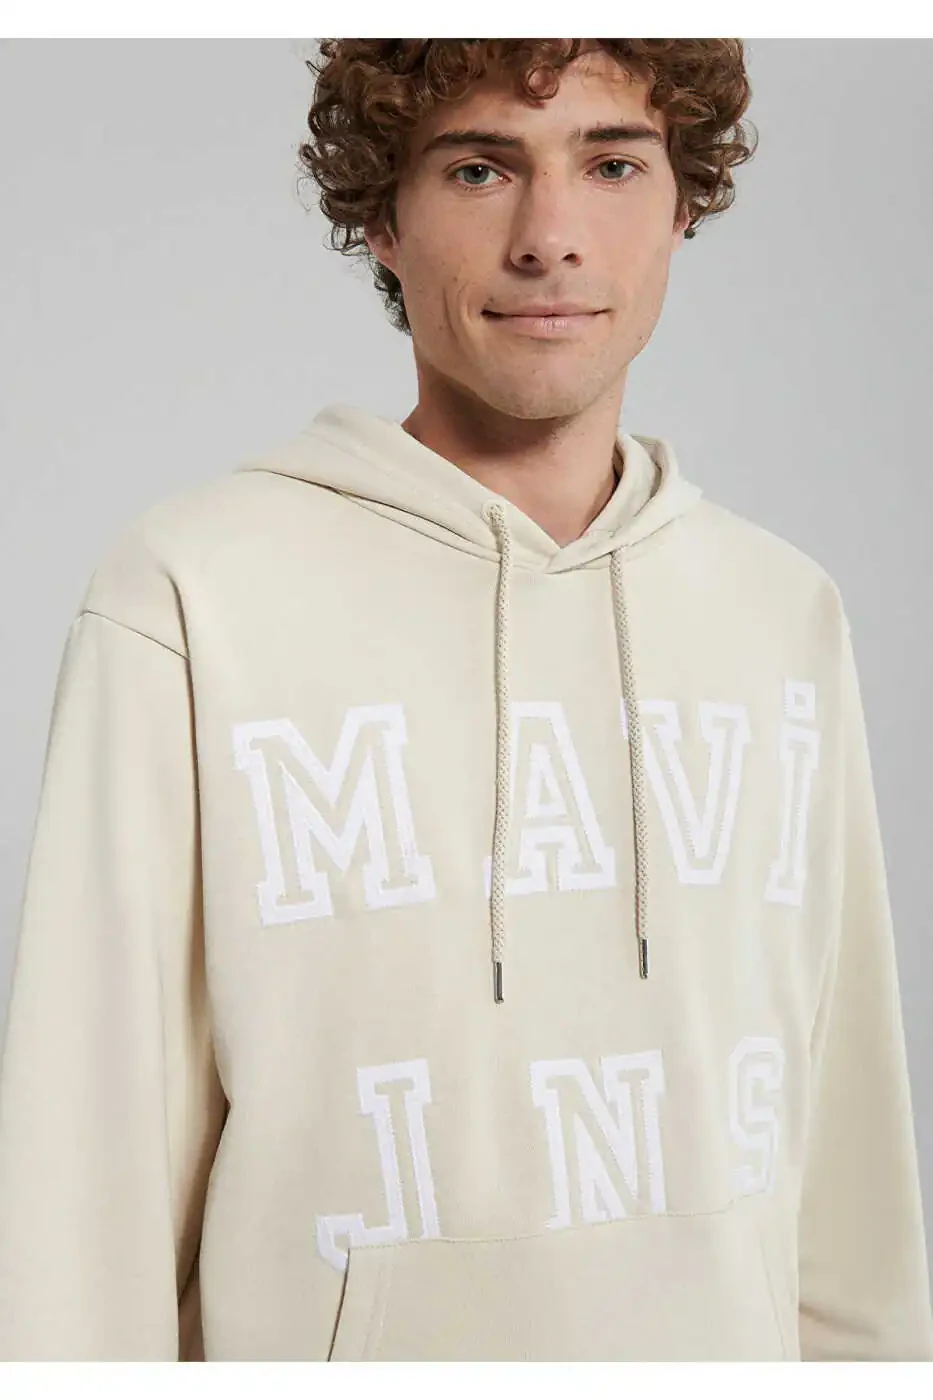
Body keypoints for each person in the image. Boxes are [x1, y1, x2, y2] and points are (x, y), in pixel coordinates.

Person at [0, 37, 930, 1364]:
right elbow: (81, 1187)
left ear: (683, 204)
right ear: (382, 216)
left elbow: (850, 1193)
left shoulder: (785, 615)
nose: (551, 237)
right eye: (481, 168)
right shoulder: (192, 597)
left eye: (612, 164)